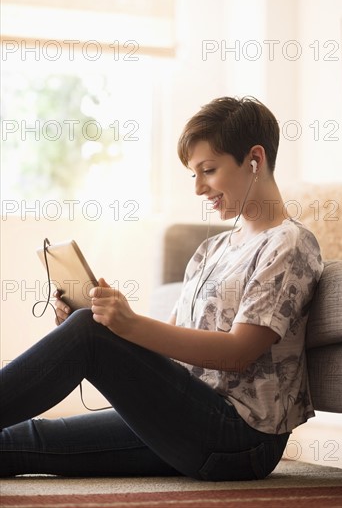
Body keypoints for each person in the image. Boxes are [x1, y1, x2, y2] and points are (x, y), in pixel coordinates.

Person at [0, 96, 323, 481]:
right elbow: (169, 356)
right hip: (186, 419)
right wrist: (104, 327)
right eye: (194, 175)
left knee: (89, 331)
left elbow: (239, 352)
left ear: (254, 159)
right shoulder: (210, 250)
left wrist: (119, 327)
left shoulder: (289, 244)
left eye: (208, 170)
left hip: (241, 438)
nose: (199, 188)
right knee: (17, 442)